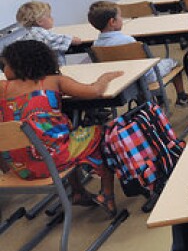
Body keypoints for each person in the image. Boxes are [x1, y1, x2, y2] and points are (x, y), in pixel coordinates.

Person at [0, 40, 122, 215]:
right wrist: (105, 78)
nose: (4, 71)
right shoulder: (54, 81)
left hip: (20, 169)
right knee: (100, 133)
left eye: (5, 65)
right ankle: (107, 194)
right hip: (52, 162)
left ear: (18, 65)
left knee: (63, 137)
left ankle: (78, 191)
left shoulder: (2, 88)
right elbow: (95, 92)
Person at [88, 1, 188, 107]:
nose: (122, 19)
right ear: (112, 22)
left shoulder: (96, 44)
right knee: (174, 62)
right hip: (145, 77)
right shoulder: (128, 41)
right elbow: (147, 64)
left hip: (122, 79)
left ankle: (147, 103)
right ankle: (182, 97)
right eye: (120, 17)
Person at [16, 1, 82, 66]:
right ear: (40, 21)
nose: (52, 18)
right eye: (49, 16)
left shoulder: (24, 37)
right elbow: (76, 41)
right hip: (54, 72)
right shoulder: (44, 35)